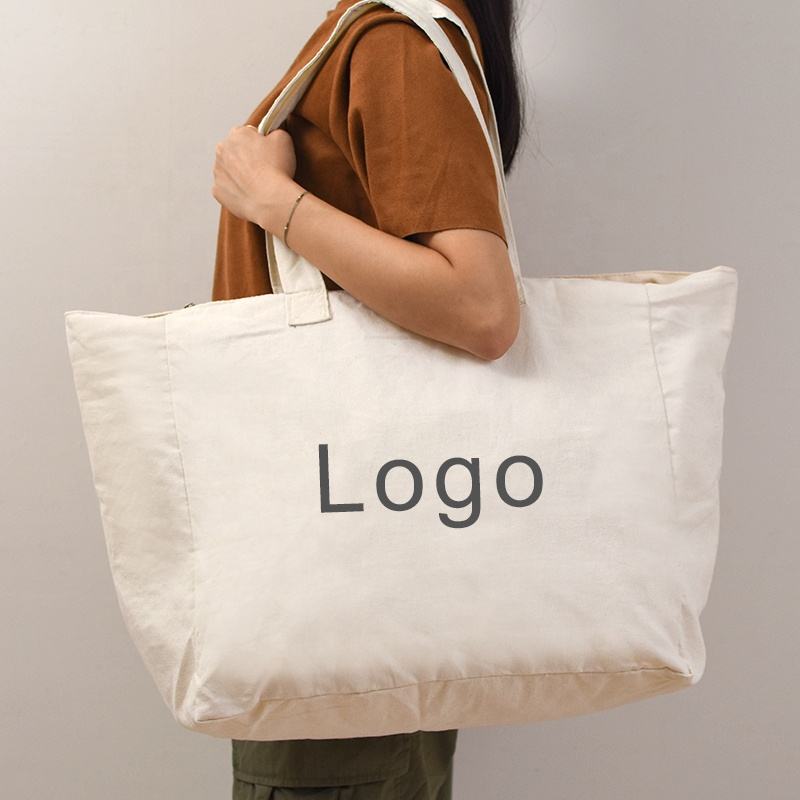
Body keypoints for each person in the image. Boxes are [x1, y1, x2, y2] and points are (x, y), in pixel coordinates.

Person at [210, 0, 526, 796]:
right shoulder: (374, 33)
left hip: (332, 582)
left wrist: (271, 199)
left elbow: (482, 309)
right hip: (334, 563)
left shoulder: (394, 46)